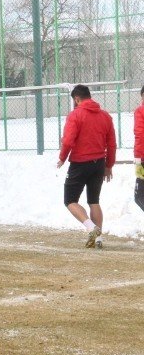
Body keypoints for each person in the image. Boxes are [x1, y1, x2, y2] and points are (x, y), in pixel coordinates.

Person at [57, 84, 116, 249]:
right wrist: (109, 165)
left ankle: (92, 228)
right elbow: (111, 144)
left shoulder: (75, 115)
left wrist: (62, 158)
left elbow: (68, 140)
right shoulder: (105, 116)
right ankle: (99, 239)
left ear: (77, 99)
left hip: (79, 163)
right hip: (99, 163)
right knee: (94, 201)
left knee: (70, 200)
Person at [135, 84, 144, 212]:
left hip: (142, 158)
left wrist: (138, 159)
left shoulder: (140, 111)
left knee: (139, 196)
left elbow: (140, 135)